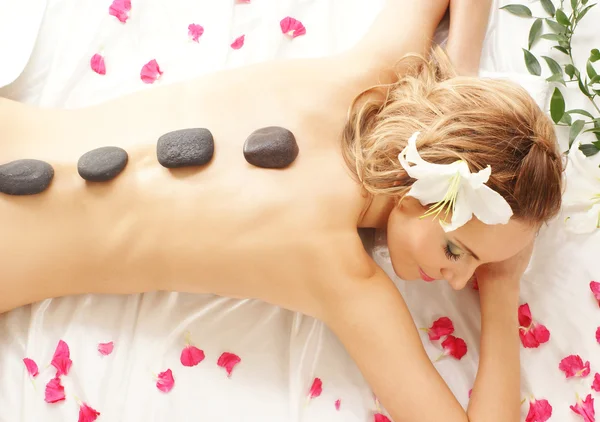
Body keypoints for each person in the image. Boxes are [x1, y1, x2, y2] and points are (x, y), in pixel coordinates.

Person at [0, 0, 563, 421]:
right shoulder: (343, 276)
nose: (461, 278)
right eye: (457, 250)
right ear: (425, 185)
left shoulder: (370, 73)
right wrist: (503, 289)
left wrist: (459, 65)